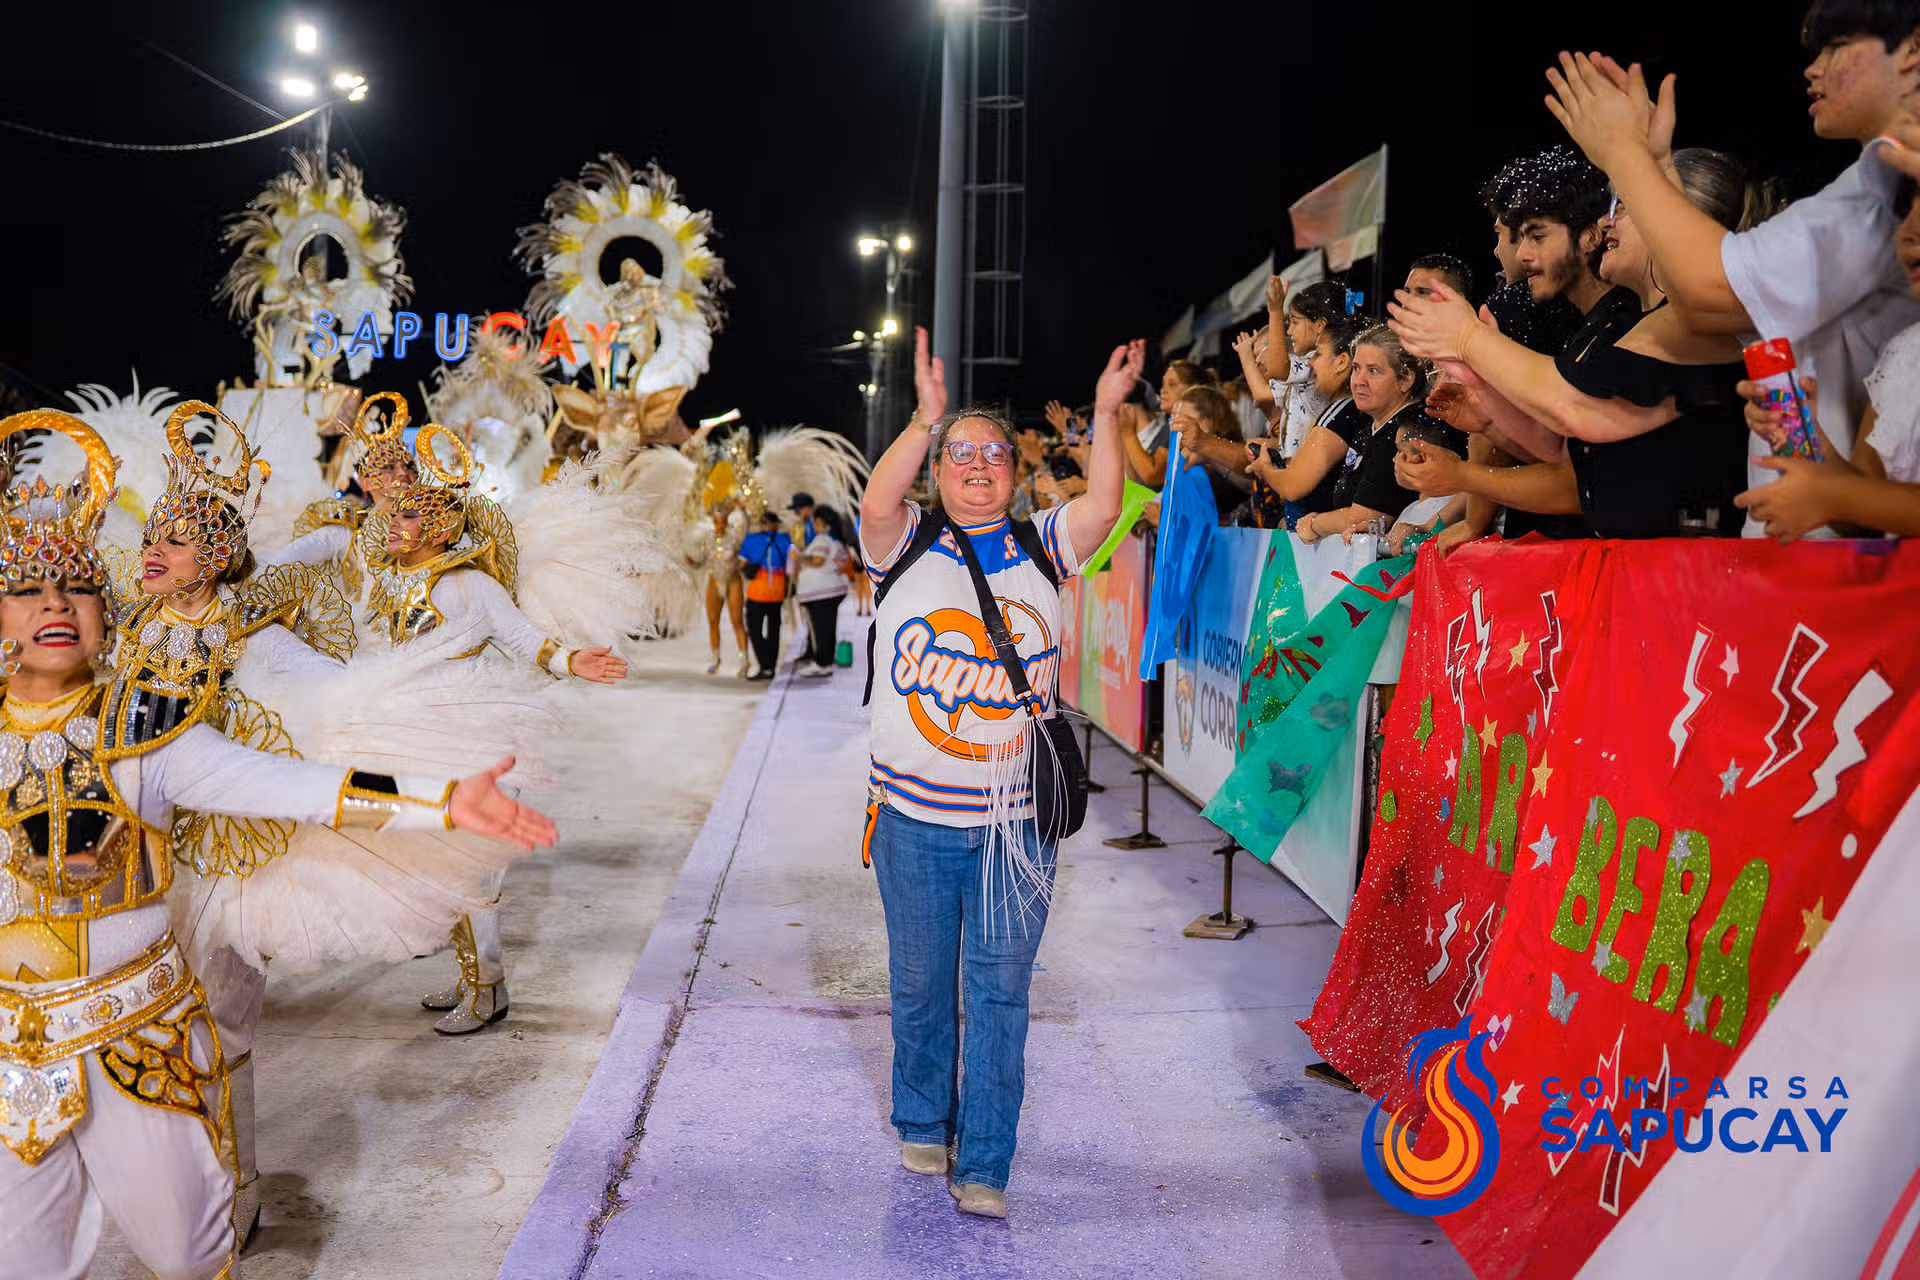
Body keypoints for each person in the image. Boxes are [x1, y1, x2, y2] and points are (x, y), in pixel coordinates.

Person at [0, 408, 555, 1280]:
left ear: (217, 555)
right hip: (45, 994)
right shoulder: (130, 639)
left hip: (226, 861)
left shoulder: (236, 648)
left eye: (181, 540)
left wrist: (439, 795)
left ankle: (241, 1186)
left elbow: (316, 755)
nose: (158, 552)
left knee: (221, 1053)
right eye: (152, 538)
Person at [857, 326, 1132, 1220]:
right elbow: (875, 497)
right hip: (912, 821)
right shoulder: (902, 550)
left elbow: (1104, 502)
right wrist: (925, 419)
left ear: (1015, 472)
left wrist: (1103, 414)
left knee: (1000, 989)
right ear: (938, 472)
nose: (977, 467)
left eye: (993, 455)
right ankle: (921, 1118)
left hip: (1020, 823)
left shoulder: (1045, 546)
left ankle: (987, 1161)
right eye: (958, 456)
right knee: (919, 980)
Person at [1543, 7, 1920, 533]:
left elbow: (1708, 292)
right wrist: (1810, 457)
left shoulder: (1871, 208)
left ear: (1911, 48)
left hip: (1845, 587)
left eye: (1836, 47)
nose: (1813, 68)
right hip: (1798, 568)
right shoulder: (1870, 197)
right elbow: (1855, 497)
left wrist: (1624, 155)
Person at [366, 426, 631, 1035]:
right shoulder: (386, 580)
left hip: (471, 739)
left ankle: (488, 990)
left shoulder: (470, 585)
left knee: (472, 867)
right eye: (396, 512)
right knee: (439, 864)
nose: (397, 521)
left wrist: (572, 660)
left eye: (410, 514)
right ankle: (471, 977)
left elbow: (524, 640)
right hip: (414, 733)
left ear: (439, 529)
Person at [1392, 149, 1779, 538]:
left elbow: (1572, 409)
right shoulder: (1656, 319)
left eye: (1626, 206)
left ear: (1675, 220)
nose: (1609, 220)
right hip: (1664, 570)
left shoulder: (1698, 322)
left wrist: (1467, 339)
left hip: (1700, 573)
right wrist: (1484, 398)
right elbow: (1570, 449)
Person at [1738, 187, 1920, 537]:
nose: (1909, 231)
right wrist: (1798, 433)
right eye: (1907, 210)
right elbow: (1861, 518)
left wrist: (1837, 497)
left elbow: (1854, 501)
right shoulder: (1905, 353)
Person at [1296, 326, 1465, 544]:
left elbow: (1363, 518)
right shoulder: (1369, 424)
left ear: (1405, 380)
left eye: (1373, 371)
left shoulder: (1406, 429)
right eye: (1356, 369)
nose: (1359, 380)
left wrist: (1313, 523)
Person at [1246, 313, 1375, 529]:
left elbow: (1294, 486)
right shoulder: (1346, 409)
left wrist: (1266, 468)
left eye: (1318, 354)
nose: (1311, 362)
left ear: (1341, 362)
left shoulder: (1342, 412)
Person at [794, 505, 851, 676]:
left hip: (822, 592)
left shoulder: (822, 540)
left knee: (821, 628)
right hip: (831, 590)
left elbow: (818, 560)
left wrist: (798, 557)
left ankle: (822, 663)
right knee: (827, 627)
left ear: (819, 522)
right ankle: (826, 659)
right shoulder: (834, 539)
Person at [739, 510, 793, 681]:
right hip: (777, 591)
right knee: (774, 630)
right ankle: (770, 667)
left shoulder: (750, 539)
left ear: (762, 524)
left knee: (754, 629)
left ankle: (764, 665)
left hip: (757, 591)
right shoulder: (785, 540)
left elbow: (742, 563)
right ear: (775, 524)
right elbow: (791, 567)